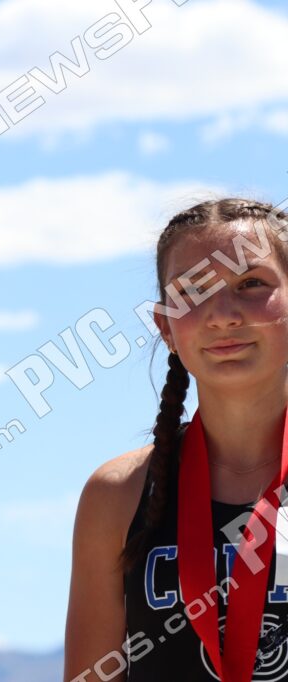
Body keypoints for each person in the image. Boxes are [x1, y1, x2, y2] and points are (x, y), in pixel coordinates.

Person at [65, 198, 288, 681]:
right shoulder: (117, 494)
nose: (222, 315)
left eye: (251, 284)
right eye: (193, 292)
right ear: (165, 326)